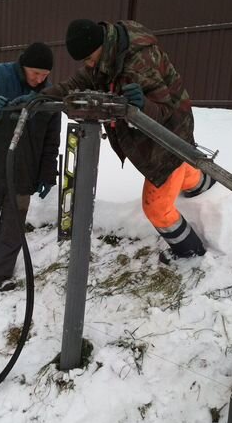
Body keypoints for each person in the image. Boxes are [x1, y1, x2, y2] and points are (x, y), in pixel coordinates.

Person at [44, 19, 215, 261]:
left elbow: (164, 110)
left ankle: (190, 253)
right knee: (180, 170)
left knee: (156, 208)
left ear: (100, 44)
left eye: (89, 58)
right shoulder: (108, 56)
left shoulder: (138, 63)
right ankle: (203, 185)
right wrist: (39, 97)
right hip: (154, 137)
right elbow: (77, 83)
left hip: (169, 135)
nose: (88, 64)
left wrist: (142, 104)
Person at [0, 42, 61, 291]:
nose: (39, 79)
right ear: (23, 65)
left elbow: (51, 140)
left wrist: (48, 174)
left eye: (44, 75)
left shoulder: (49, 95)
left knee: (13, 226)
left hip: (23, 173)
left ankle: (2, 274)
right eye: (34, 73)